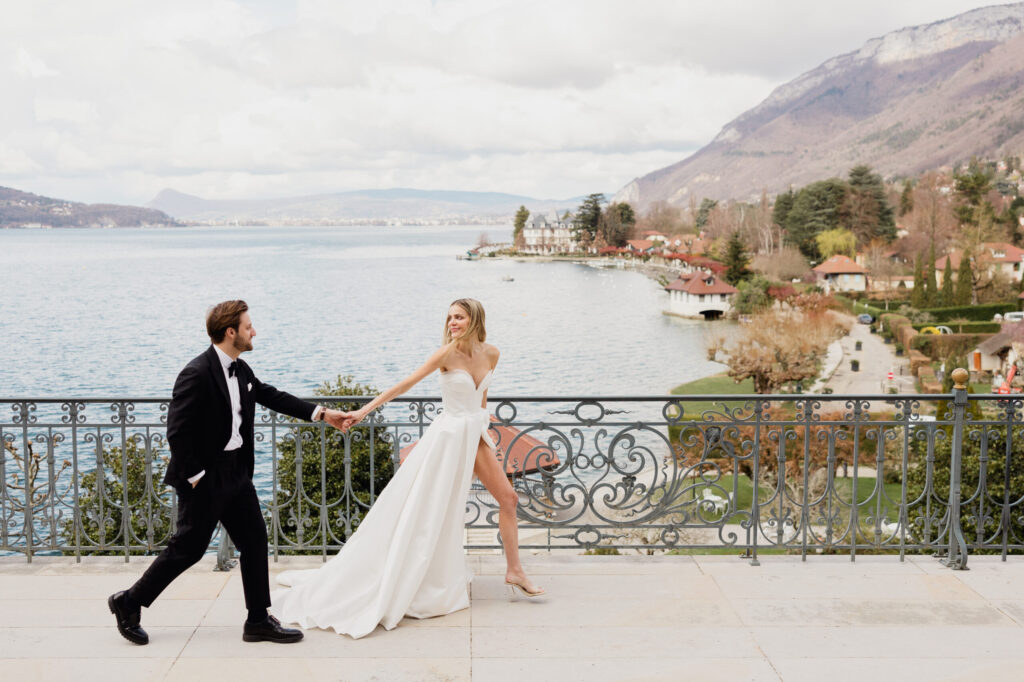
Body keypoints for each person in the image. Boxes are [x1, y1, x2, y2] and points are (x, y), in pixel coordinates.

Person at [271, 298, 543, 639]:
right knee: (430, 512)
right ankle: (417, 574)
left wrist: (487, 432)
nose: (452, 323)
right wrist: (363, 412)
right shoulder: (445, 355)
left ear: (475, 319)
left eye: (459, 317)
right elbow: (403, 386)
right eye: (450, 317)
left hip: (475, 435)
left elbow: (482, 397)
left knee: (509, 499)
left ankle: (515, 570)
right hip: (448, 439)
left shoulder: (492, 353)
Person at [108, 300, 347, 645]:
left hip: (236, 472)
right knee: (188, 549)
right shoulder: (196, 373)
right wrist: (196, 477)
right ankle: (128, 602)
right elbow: (177, 431)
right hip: (205, 477)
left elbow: (272, 396)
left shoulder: (242, 369)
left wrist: (323, 414)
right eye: (249, 326)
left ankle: (258, 620)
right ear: (231, 332)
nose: (254, 332)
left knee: (254, 540)